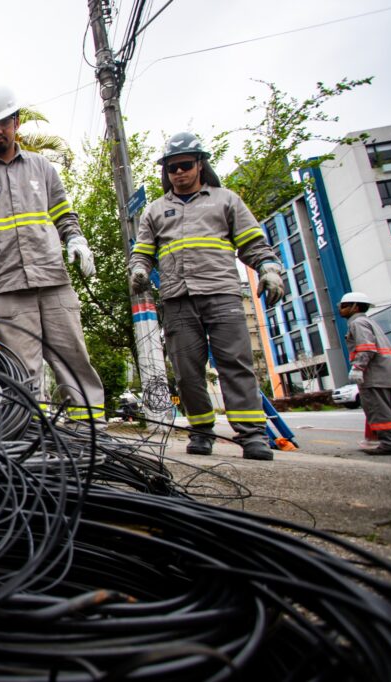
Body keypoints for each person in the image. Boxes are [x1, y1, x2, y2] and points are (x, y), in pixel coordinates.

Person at [0, 84, 105, 422]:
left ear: (16, 122)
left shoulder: (41, 168)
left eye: (3, 123)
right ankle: (33, 431)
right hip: (6, 285)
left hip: (52, 278)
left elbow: (64, 213)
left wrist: (75, 240)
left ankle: (91, 427)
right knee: (21, 366)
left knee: (73, 356)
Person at [128, 132, 285, 461]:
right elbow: (142, 253)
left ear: (200, 164)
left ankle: (252, 435)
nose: (179, 173)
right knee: (187, 371)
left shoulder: (226, 200)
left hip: (221, 293)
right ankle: (201, 431)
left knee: (235, 364)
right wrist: (139, 271)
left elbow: (255, 245)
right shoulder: (156, 211)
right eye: (172, 168)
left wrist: (270, 269)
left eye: (185, 165)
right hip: (177, 299)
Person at [339, 291, 391, 455]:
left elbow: (366, 347)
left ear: (355, 307)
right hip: (384, 371)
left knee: (378, 409)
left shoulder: (358, 323)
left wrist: (358, 367)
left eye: (344, 306)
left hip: (373, 373)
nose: (341, 309)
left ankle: (390, 443)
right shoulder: (368, 321)